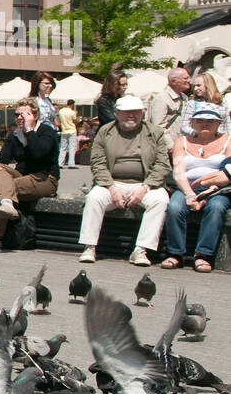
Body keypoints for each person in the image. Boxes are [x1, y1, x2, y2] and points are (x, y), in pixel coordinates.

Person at [78, 94, 170, 266]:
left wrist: (145, 187)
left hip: (145, 183)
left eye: (136, 112)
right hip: (112, 182)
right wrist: (112, 188)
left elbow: (162, 165)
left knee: (161, 200)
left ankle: (141, 250)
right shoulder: (105, 132)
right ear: (117, 113)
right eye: (126, 112)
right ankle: (89, 246)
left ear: (142, 113)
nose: (131, 116)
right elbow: (97, 163)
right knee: (94, 198)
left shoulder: (154, 133)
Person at [0, 97, 60, 251]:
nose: (19, 118)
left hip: (45, 178)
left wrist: (29, 131)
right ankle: (7, 205)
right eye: (17, 115)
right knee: (0, 169)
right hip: (24, 178)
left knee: (3, 189)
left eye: (25, 114)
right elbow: (3, 159)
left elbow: (38, 154)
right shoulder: (15, 135)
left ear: (35, 116)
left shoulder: (46, 132)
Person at [162, 103, 230, 272]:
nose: (205, 124)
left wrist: (208, 192)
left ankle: (203, 255)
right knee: (174, 207)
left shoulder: (228, 140)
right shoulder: (182, 141)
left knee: (216, 207)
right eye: (200, 120)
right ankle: (175, 253)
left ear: (219, 123)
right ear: (191, 123)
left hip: (217, 188)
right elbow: (178, 172)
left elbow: (228, 172)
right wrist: (189, 194)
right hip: (186, 186)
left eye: (210, 121)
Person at [147, 66, 191, 152]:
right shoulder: (161, 98)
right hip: (167, 150)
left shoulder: (184, 98)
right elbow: (159, 126)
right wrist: (171, 146)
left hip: (183, 146)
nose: (189, 81)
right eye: (185, 78)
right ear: (174, 81)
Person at [57, 98, 79, 168]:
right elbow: (75, 121)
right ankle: (71, 164)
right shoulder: (72, 112)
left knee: (63, 147)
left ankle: (60, 163)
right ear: (72, 105)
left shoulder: (61, 111)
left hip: (64, 130)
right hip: (72, 130)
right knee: (72, 147)